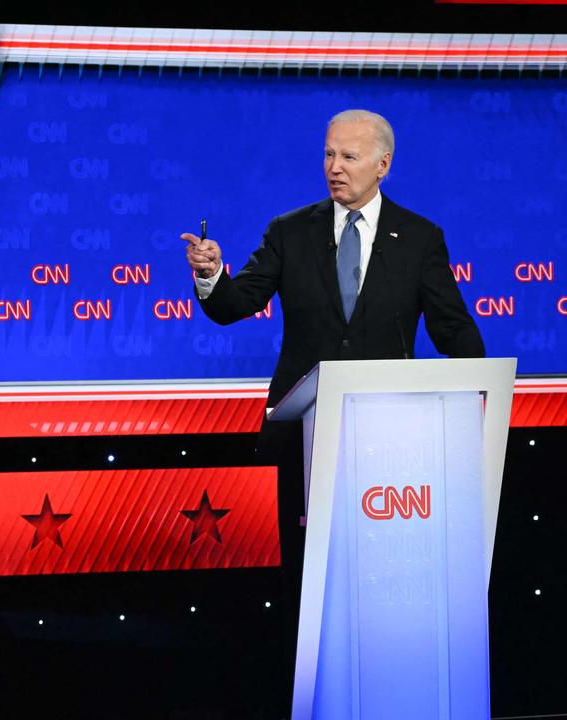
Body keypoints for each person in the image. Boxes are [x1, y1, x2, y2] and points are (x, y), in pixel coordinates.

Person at [181, 108, 484, 712]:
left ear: (383, 165)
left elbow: (454, 330)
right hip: (306, 440)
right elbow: (236, 303)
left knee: (386, 582)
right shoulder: (291, 231)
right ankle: (316, 697)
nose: (334, 168)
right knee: (310, 585)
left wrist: (476, 394)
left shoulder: (420, 238)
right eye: (327, 155)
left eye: (348, 156)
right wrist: (213, 275)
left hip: (395, 451)